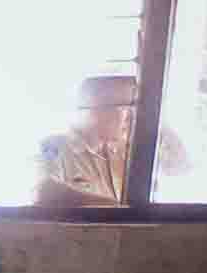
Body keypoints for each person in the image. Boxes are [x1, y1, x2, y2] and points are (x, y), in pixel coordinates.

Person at [35, 75, 136, 208]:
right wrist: (120, 210)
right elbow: (43, 191)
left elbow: (170, 168)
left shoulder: (123, 152)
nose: (130, 116)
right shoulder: (53, 146)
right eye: (124, 107)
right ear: (96, 107)